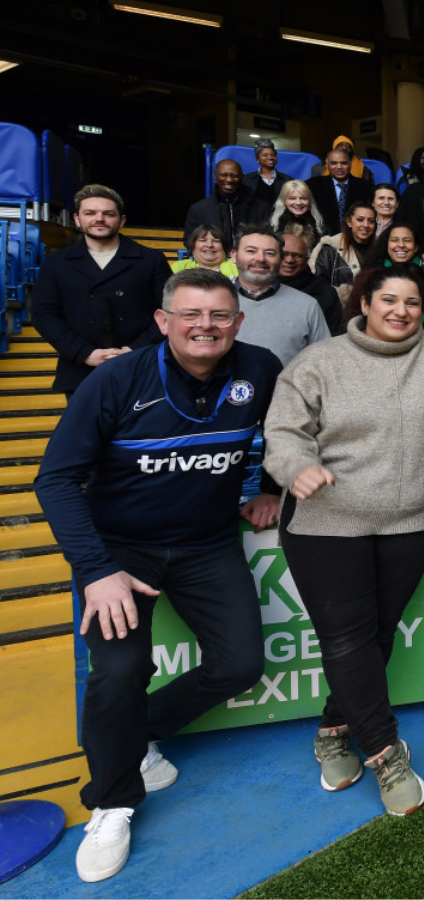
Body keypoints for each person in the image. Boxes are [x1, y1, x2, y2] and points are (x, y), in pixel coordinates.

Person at [36, 268, 282, 882]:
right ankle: (113, 800)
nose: (206, 326)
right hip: (122, 552)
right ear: (163, 320)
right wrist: (96, 571)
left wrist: (272, 487)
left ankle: (136, 734)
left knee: (241, 665)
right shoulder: (117, 378)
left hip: (207, 543)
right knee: (120, 671)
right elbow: (56, 479)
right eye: (192, 314)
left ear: (238, 322)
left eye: (220, 316)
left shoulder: (261, 368)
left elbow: (287, 436)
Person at [263, 262, 424, 817]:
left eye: (412, 302)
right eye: (389, 300)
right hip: (327, 523)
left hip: (412, 522)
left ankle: (333, 729)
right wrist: (296, 468)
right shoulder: (319, 362)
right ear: (364, 303)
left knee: (374, 636)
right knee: (347, 638)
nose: (401, 311)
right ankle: (384, 751)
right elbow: (283, 432)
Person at [231, 226, 332, 367]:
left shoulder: (307, 306)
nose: (260, 258)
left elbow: (325, 362)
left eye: (270, 253)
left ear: (280, 259)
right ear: (234, 256)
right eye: (251, 251)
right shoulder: (213, 302)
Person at [368, 223, 424, 340]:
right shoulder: (371, 276)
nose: (401, 245)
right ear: (387, 245)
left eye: (407, 240)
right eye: (394, 240)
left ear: (416, 247)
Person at [278, 225, 345, 336]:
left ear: (306, 259)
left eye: (297, 255)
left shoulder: (325, 293)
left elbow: (332, 336)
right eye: (284, 254)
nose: (289, 260)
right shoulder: (259, 287)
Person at [312, 202, 377, 304]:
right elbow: (319, 285)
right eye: (360, 219)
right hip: (338, 310)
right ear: (349, 222)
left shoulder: (379, 249)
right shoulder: (330, 248)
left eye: (371, 221)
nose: (366, 225)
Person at [184, 159, 266, 240]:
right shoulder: (198, 209)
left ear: (242, 177)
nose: (229, 180)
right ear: (215, 176)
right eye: (223, 175)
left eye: (234, 176)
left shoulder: (262, 207)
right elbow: (189, 240)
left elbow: (268, 239)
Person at [310, 147, 376, 237]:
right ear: (327, 164)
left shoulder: (366, 187)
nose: (339, 167)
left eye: (344, 163)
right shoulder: (313, 185)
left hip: (357, 239)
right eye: (334, 163)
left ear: (350, 165)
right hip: (323, 239)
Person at [170, 223, 237, 276]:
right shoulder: (180, 267)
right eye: (203, 240)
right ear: (193, 246)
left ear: (224, 247)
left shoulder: (236, 265)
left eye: (216, 241)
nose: (209, 245)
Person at [245, 138, 293, 208]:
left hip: (279, 217)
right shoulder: (247, 179)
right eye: (265, 155)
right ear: (257, 159)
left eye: (273, 155)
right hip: (254, 218)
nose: (270, 157)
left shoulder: (287, 179)